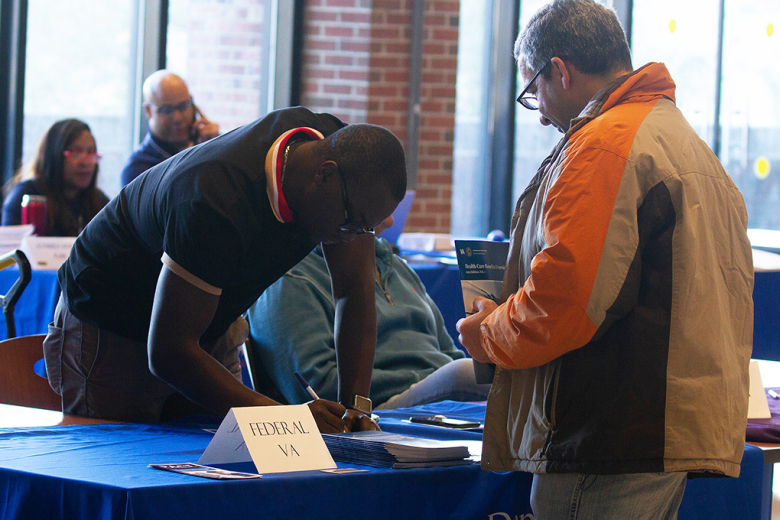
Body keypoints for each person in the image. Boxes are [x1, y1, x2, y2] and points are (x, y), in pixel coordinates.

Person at [456, 1, 753, 518]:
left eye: (533, 93)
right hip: (658, 429)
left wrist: (489, 332)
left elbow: (566, 301)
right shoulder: (683, 141)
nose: (541, 113)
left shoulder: (604, 146)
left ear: (560, 71)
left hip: (603, 435)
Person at [44, 106, 407, 434]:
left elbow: (354, 293)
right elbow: (169, 351)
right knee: (122, 479)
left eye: (367, 229)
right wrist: (287, 419)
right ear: (323, 177)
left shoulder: (346, 166)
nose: (353, 238)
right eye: (353, 224)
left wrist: (355, 410)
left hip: (199, 323)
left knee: (221, 476)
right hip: (111, 319)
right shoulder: (215, 198)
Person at [246, 233, 491, 409]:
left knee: (496, 374)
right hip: (378, 407)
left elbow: (449, 353)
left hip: (439, 391)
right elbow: (317, 389)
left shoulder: (396, 265)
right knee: (468, 374)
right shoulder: (287, 278)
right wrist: (420, 379)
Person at [2, 119, 110, 236]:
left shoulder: (99, 201)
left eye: (91, 153)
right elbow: (12, 250)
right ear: (54, 156)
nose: (85, 162)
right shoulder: (28, 196)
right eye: (76, 154)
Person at [120, 70, 220, 186]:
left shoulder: (205, 145)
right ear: (148, 111)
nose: (177, 118)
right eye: (166, 110)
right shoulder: (138, 170)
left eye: (183, 106)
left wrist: (215, 149)